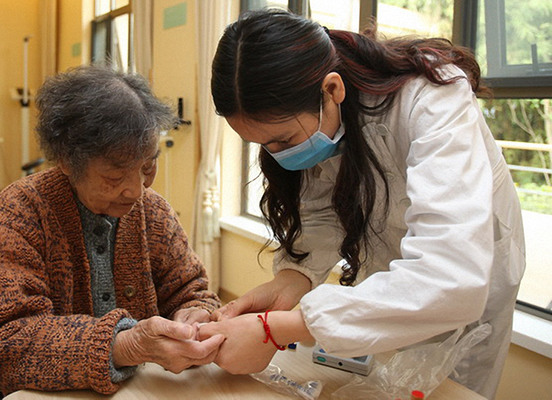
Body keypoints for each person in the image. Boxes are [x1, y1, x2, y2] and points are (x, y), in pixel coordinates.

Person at [199, 9, 525, 400]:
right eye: (264, 145)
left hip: (466, 290)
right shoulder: (327, 119)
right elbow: (322, 209)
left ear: (332, 89)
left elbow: (449, 277)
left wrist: (276, 329)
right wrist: (289, 283)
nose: (279, 155)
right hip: (396, 287)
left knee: (452, 390)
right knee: (390, 384)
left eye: (284, 140)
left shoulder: (432, 101)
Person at [0, 65, 225, 396]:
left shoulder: (155, 211)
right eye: (114, 177)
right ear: (66, 162)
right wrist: (125, 346)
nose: (136, 190)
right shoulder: (22, 210)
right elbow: (0, 349)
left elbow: (191, 289)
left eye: (148, 166)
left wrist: (197, 314)